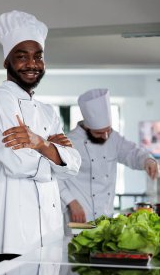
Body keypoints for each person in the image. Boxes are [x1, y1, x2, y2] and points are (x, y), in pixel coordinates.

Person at [0, 10, 81, 265]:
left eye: (38, 57)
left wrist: (39, 144)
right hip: (11, 231)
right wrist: (55, 154)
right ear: (6, 62)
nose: (32, 64)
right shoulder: (1, 100)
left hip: (47, 229)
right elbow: (19, 164)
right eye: (21, 56)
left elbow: (74, 166)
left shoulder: (47, 111)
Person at [58, 88, 159, 223]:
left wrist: (147, 160)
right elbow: (56, 177)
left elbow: (132, 152)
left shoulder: (113, 138)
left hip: (105, 218)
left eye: (108, 130)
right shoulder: (68, 141)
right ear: (87, 127)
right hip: (78, 215)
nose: (105, 136)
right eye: (99, 133)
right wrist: (71, 202)